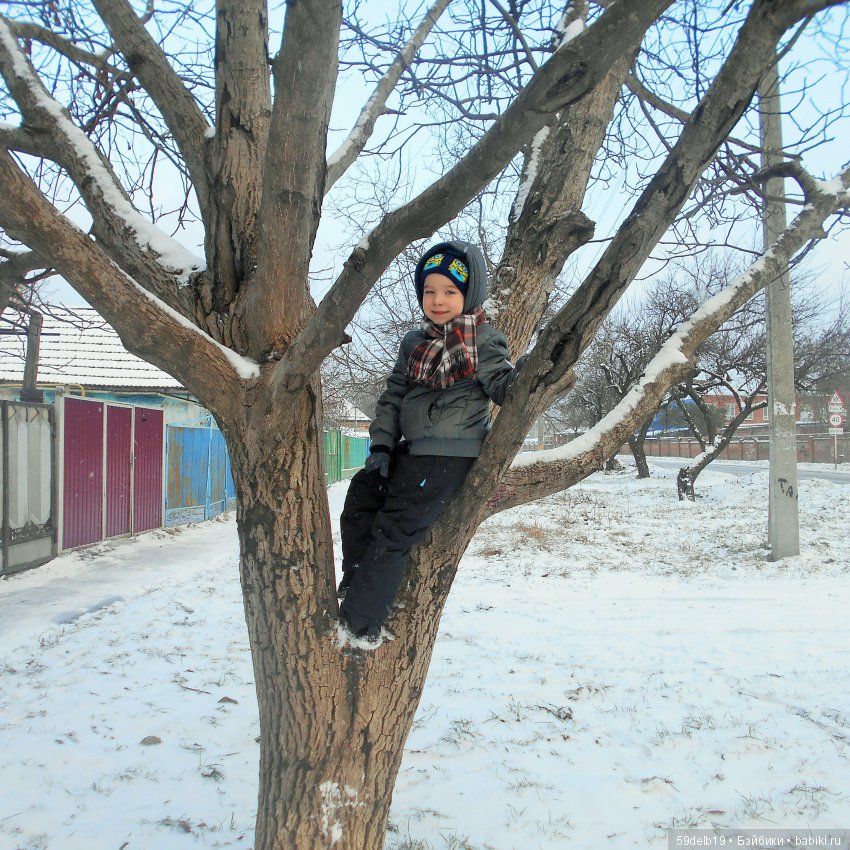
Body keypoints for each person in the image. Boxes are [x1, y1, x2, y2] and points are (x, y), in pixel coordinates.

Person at [338, 241, 524, 641]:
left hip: (447, 456)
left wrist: (528, 375)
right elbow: (393, 396)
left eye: (449, 291)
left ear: (468, 294)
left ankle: (360, 624)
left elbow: (504, 388)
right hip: (410, 450)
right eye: (429, 291)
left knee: (394, 530)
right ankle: (355, 584)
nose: (437, 300)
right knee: (361, 495)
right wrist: (381, 448)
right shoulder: (415, 342)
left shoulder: (483, 340)